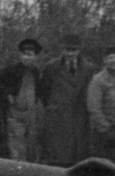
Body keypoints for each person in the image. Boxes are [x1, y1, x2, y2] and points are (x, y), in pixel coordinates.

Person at [0, 37, 50, 162]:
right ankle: (18, 175)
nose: (26, 57)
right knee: (17, 149)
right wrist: (6, 95)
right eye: (24, 54)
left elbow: (41, 92)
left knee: (32, 148)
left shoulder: (36, 72)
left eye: (30, 55)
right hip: (15, 115)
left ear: (35, 57)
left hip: (31, 116)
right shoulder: (12, 70)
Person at [41, 34, 95, 166]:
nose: (70, 53)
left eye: (74, 50)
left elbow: (90, 92)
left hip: (79, 116)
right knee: (57, 153)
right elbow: (44, 91)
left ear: (79, 50)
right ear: (63, 49)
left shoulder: (89, 69)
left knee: (77, 153)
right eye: (67, 49)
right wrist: (55, 106)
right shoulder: (52, 67)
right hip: (58, 116)